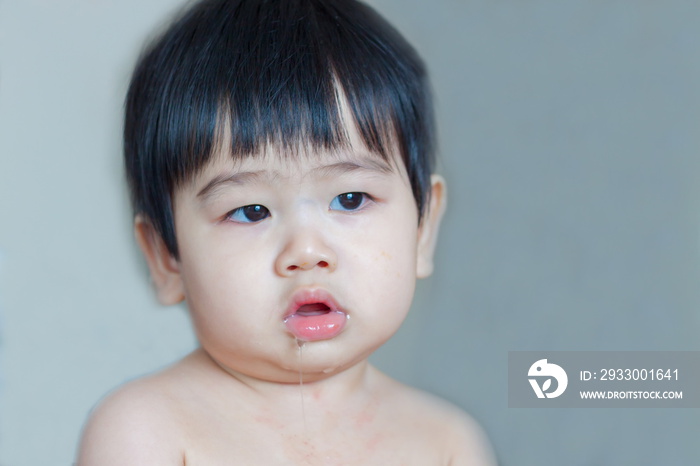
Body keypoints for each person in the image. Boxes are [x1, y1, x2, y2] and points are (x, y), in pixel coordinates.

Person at [77, 0, 496, 463]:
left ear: (423, 229)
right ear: (166, 257)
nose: (307, 250)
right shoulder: (146, 430)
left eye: (350, 199)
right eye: (251, 211)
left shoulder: (447, 442)